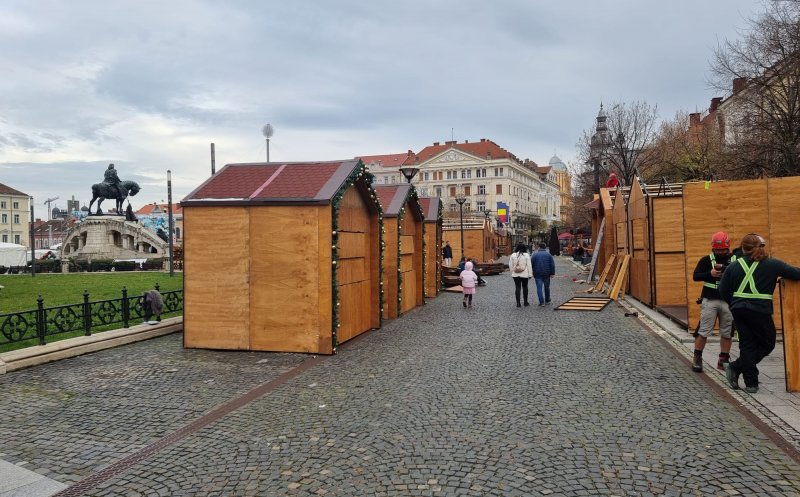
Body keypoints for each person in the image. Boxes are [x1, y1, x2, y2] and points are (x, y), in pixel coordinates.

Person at [719, 233, 800, 393]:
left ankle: (751, 383)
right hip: (760, 310)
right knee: (768, 342)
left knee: (748, 344)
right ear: (762, 247)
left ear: (743, 248)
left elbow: (723, 290)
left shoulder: (733, 267)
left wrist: (735, 303)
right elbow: (796, 273)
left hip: (739, 310)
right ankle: (736, 368)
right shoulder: (772, 264)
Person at [690, 231, 735, 373]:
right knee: (703, 331)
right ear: (713, 248)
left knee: (727, 332)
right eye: (717, 250)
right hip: (710, 300)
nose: (720, 252)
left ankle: (724, 359)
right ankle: (697, 357)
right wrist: (710, 274)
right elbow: (695, 276)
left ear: (728, 248)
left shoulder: (735, 260)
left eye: (723, 250)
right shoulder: (706, 260)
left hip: (728, 301)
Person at [509, 242, 532, 307]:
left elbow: (510, 264)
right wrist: (530, 274)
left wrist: (512, 271)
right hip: (524, 274)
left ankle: (518, 303)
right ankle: (525, 302)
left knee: (517, 288)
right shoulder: (526, 255)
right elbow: (529, 265)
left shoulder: (513, 255)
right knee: (525, 287)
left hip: (515, 274)